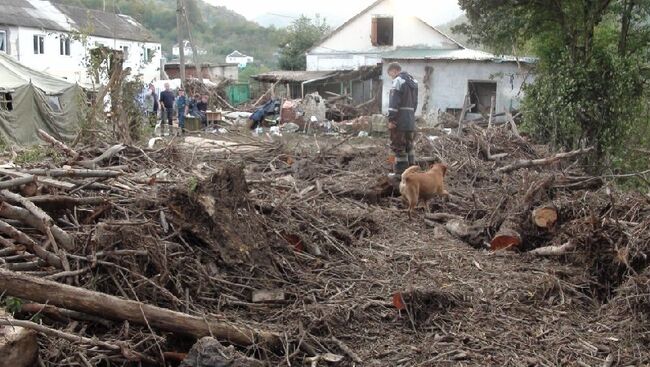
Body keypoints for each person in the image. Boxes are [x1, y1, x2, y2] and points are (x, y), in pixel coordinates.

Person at [386, 62, 418, 179]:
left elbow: (393, 103)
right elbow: (415, 103)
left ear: (394, 71)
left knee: (398, 146)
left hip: (399, 119)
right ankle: (412, 172)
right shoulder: (414, 82)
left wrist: (391, 119)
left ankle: (400, 174)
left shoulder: (398, 81)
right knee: (409, 146)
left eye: (390, 74)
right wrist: (410, 116)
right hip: (410, 120)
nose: (391, 77)